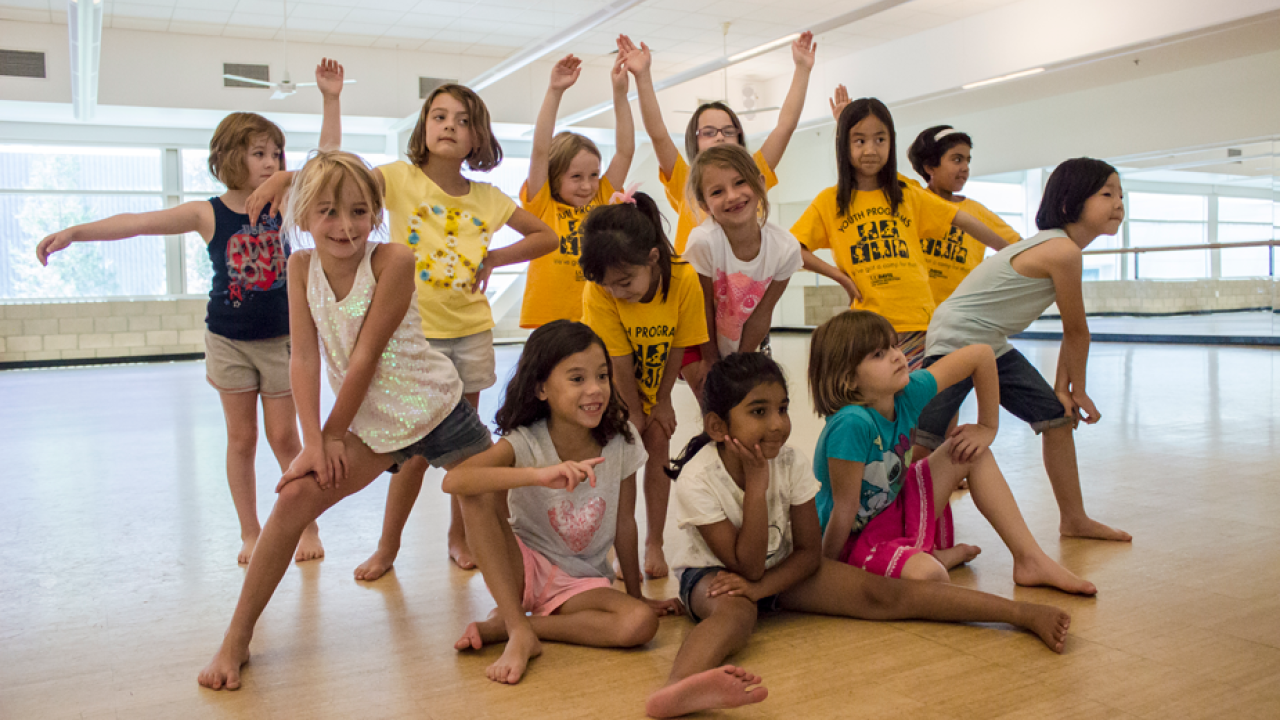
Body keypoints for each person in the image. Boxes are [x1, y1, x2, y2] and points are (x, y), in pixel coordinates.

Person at [197, 150, 494, 691]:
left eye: (359, 211)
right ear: (304, 216)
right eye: (328, 212)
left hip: (437, 409)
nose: (344, 226)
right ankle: (236, 640)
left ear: (376, 213)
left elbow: (366, 357)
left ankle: (525, 616)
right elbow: (304, 357)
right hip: (377, 425)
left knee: (497, 517)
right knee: (292, 500)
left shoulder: (394, 260)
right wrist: (316, 441)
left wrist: (332, 433)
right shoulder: (299, 267)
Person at [249, 60, 558, 578]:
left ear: (477, 136)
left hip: (466, 331)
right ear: (423, 127)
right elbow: (335, 180)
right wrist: (286, 174)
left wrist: (495, 259)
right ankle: (388, 547)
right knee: (409, 459)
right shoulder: (396, 177)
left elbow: (545, 236)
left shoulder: (486, 196)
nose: (449, 127)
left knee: (462, 459)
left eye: (462, 120)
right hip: (416, 336)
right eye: (439, 116)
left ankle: (461, 537)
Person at [646, 353, 1073, 718]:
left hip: (780, 569)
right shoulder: (699, 477)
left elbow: (810, 554)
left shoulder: (788, 461)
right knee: (736, 614)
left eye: (783, 408)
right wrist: (757, 487)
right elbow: (746, 567)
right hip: (715, 578)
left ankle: (1021, 614)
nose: (777, 424)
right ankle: (678, 687)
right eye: (759, 411)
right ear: (719, 426)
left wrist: (765, 587)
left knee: (884, 594)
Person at [35, 107, 329, 565]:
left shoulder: (288, 205)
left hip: (281, 341)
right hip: (228, 341)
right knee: (241, 440)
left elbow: (329, 164)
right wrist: (76, 232)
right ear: (231, 157)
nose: (271, 162)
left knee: (285, 438)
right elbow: (138, 222)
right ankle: (250, 532)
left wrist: (326, 104)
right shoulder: (205, 213)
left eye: (276, 154)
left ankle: (306, 523)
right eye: (259, 154)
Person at [445, 320, 682, 685]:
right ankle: (516, 626)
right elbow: (455, 480)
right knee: (474, 495)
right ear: (541, 388)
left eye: (602, 376)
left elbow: (624, 523)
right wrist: (538, 474)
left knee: (640, 623)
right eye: (577, 379)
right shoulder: (525, 441)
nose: (594, 389)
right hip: (522, 565)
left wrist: (637, 595)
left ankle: (518, 627)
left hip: (580, 582)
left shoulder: (623, 439)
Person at [914, 158, 1132, 542]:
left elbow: (1072, 333)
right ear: (1070, 203)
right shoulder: (1062, 250)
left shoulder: (1061, 249)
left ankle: (1074, 519)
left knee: (1056, 417)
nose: (1119, 203)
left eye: (1121, 195)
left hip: (989, 342)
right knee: (925, 437)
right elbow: (1077, 331)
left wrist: (1064, 392)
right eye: (1106, 193)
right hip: (955, 337)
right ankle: (905, 525)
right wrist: (1075, 390)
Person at [807, 310, 1095, 594]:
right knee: (929, 576)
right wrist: (824, 572)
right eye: (878, 355)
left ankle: (1030, 559)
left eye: (894, 345)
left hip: (891, 513)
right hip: (852, 537)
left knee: (973, 451)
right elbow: (844, 510)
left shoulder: (905, 392)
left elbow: (981, 355)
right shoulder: (852, 423)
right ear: (848, 380)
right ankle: (930, 557)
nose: (897, 355)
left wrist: (986, 426)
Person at [791, 97, 1011, 369]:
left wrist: (1012, 251)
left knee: (927, 405)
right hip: (871, 326)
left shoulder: (906, 194)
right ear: (844, 144)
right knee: (880, 404)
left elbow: (962, 220)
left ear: (891, 143)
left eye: (880, 140)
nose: (871, 149)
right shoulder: (830, 201)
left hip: (922, 323)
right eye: (859, 141)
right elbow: (792, 250)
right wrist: (840, 277)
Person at [579, 191, 710, 578]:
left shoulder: (683, 278)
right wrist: (632, 410)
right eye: (609, 287)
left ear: (652, 258)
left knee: (658, 449)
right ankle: (621, 547)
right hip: (609, 388)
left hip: (655, 384)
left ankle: (654, 542)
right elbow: (615, 359)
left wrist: (662, 401)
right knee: (622, 462)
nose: (618, 293)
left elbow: (679, 345)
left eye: (625, 282)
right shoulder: (600, 290)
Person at [616, 31, 816, 254]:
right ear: (695, 141)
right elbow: (658, 133)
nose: (720, 137)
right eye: (709, 132)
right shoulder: (685, 179)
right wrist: (643, 77)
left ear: (739, 139)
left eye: (728, 131)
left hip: (742, 283)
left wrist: (802, 70)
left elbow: (785, 127)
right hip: (694, 284)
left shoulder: (751, 174)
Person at [519, 53, 635, 328]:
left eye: (593, 175)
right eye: (576, 177)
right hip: (549, 319)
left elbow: (625, 151)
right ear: (555, 176)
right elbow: (539, 151)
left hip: (595, 315)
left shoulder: (601, 198)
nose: (587, 185)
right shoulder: (541, 204)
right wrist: (555, 91)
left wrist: (620, 93)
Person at [680, 144, 802, 403]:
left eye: (740, 182)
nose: (732, 196)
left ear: (759, 183)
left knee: (740, 407)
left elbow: (762, 313)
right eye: (717, 191)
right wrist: (712, 360)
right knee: (716, 408)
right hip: (695, 340)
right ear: (704, 204)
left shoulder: (785, 248)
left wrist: (740, 362)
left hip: (738, 338)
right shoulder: (703, 242)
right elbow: (700, 309)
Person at [907, 124, 1022, 304]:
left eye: (968, 160)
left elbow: (1018, 247)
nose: (965, 167)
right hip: (918, 307)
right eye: (957, 160)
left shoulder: (977, 212)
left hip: (962, 309)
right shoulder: (914, 200)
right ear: (930, 167)